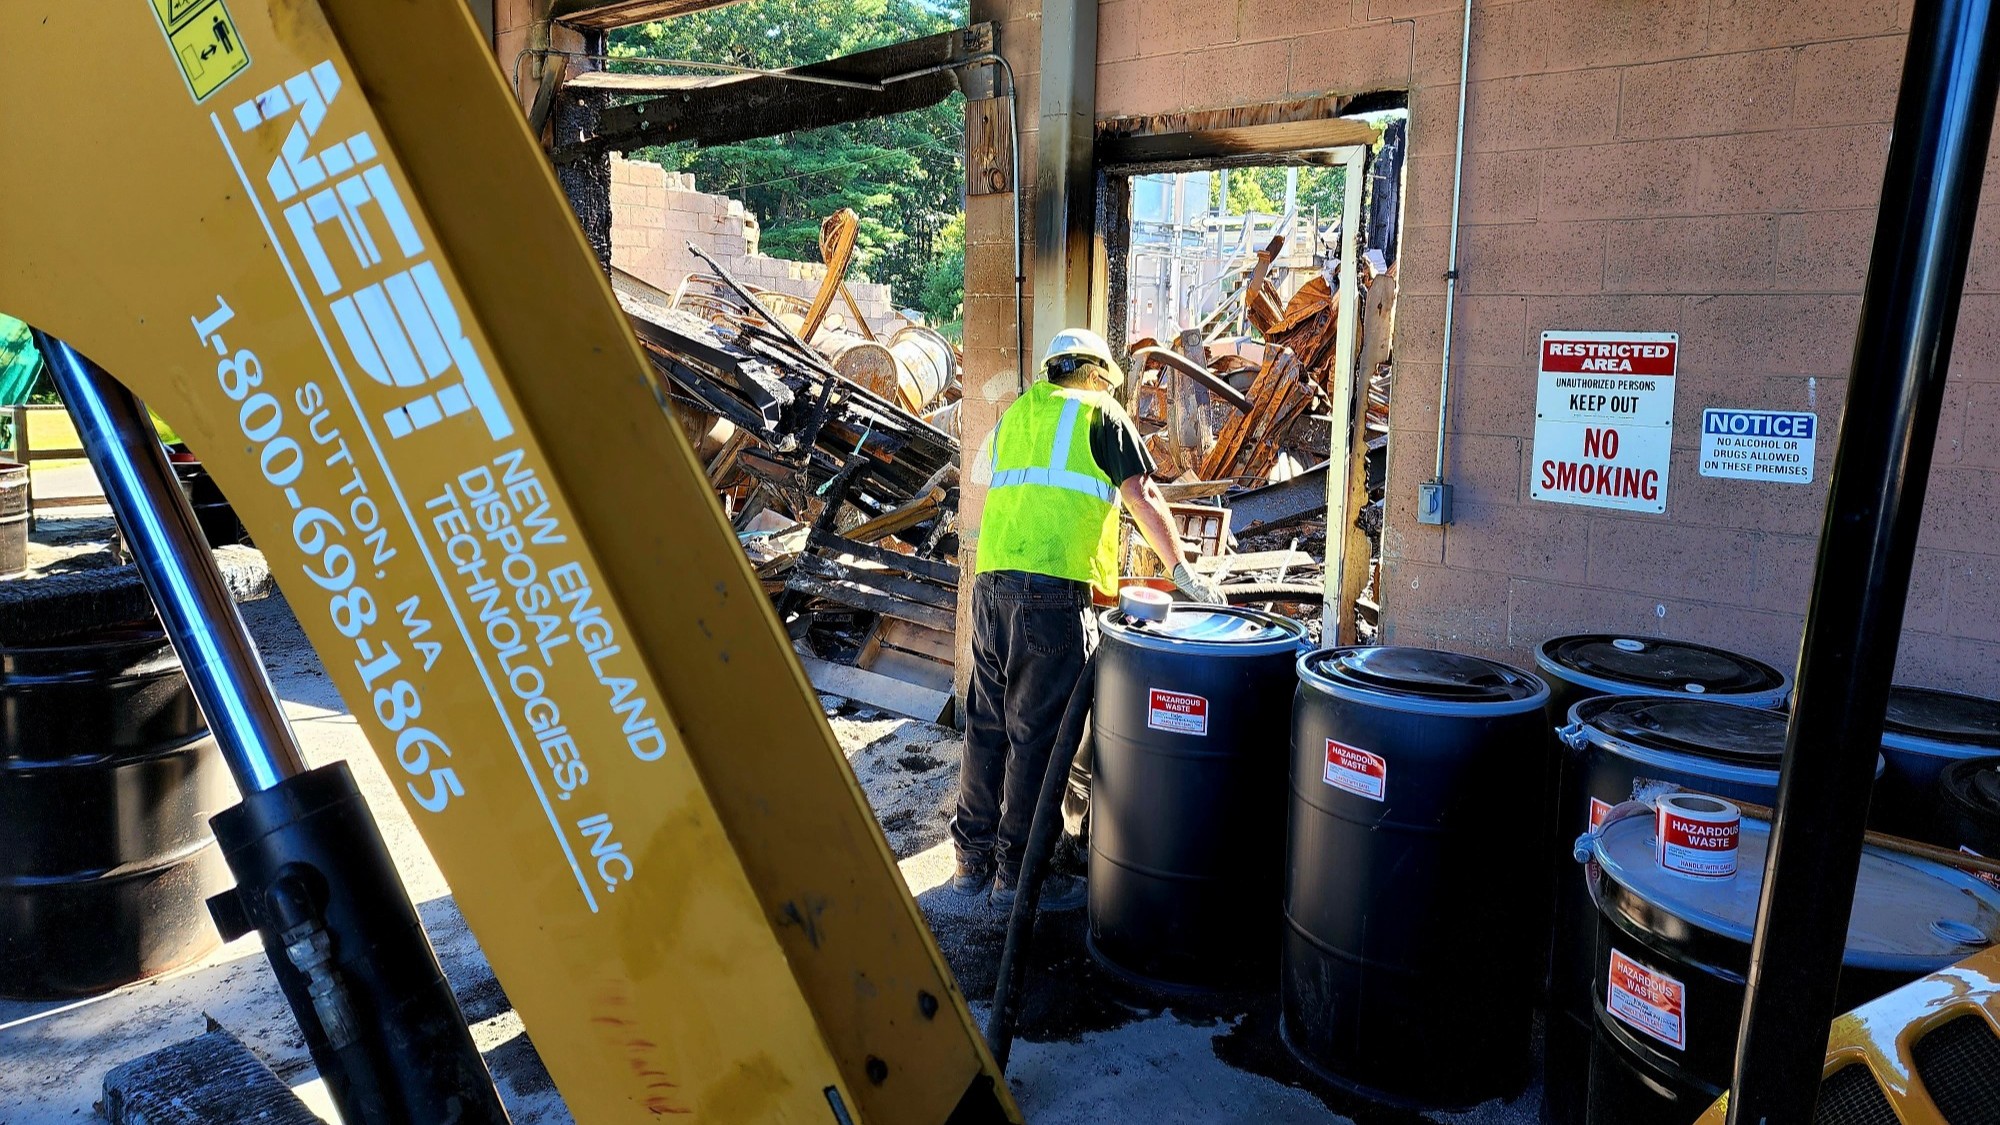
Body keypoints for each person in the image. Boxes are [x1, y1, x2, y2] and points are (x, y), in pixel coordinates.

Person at [952, 328, 1222, 910]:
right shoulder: (1103, 413)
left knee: (987, 726)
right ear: (1098, 373)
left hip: (991, 587)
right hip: (1050, 600)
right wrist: (1182, 573)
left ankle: (969, 862)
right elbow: (1143, 498)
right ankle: (1017, 877)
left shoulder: (1019, 413)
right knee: (1038, 742)